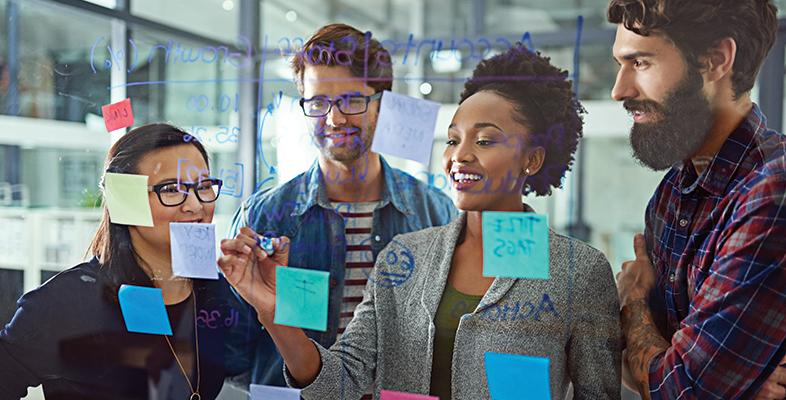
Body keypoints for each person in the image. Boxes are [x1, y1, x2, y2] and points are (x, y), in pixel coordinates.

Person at [219, 44, 622, 400]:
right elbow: (339, 381)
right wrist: (276, 316)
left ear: (532, 159)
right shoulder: (406, 254)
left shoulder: (577, 271)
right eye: (452, 139)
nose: (459, 155)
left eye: (483, 140)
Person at [223, 23, 457, 389]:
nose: (334, 119)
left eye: (351, 100)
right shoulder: (265, 216)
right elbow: (235, 349)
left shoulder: (434, 214)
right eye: (318, 102)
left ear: (383, 104)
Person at [608, 1, 786, 399]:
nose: (619, 90)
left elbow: (683, 389)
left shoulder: (773, 192)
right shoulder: (671, 194)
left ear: (716, 60)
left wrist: (632, 302)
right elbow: (630, 363)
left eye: (640, 63)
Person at [0, 124, 235, 399]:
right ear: (125, 199)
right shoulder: (67, 301)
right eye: (172, 189)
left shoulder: (215, 292)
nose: (196, 205)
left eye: (204, 186)